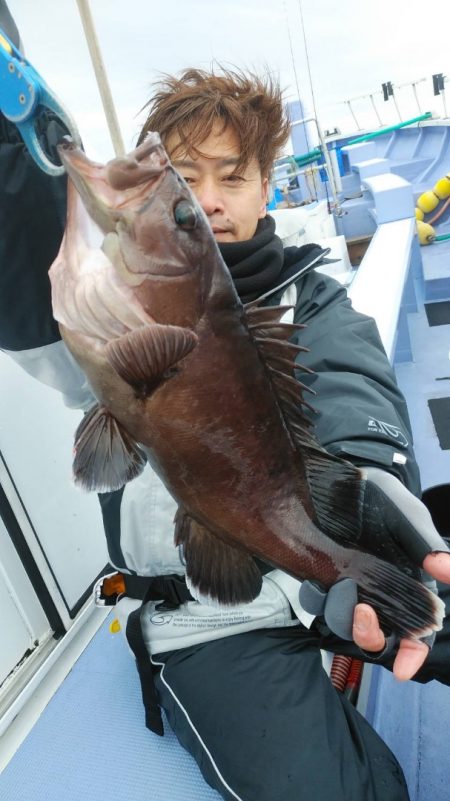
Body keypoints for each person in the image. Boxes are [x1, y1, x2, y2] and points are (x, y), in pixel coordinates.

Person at [1, 14, 450, 795]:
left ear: (268, 186)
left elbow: (349, 394)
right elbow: (27, 286)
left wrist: (366, 488)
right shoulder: (113, 312)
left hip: (314, 569)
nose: (206, 200)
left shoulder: (313, 303)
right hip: (212, 615)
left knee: (427, 564)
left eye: (232, 175)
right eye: (185, 179)